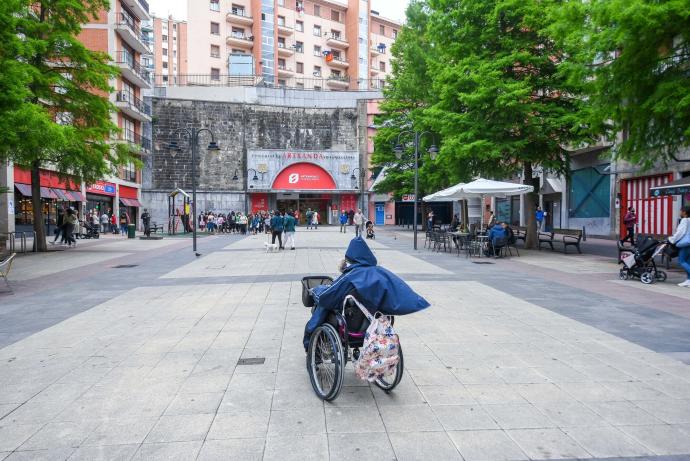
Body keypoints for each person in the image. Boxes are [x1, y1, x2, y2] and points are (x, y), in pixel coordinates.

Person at [303, 237, 430, 350]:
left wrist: (315, 291)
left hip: (352, 324)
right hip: (374, 321)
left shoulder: (351, 276)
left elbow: (327, 297)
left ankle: (309, 340)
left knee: (323, 305)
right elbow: (400, 289)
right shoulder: (382, 273)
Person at [669, 206, 690, 287]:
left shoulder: (685, 220)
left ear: (684, 212)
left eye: (681, 211)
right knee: (688, 261)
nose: (680, 212)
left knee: (682, 261)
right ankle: (688, 280)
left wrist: (672, 240)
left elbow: (680, 233)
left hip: (685, 243)